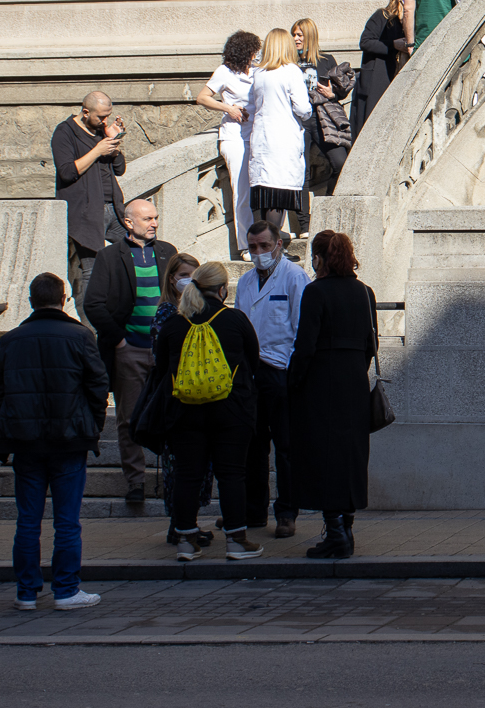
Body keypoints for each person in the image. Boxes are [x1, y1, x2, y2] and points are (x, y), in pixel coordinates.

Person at [0, 273, 108, 612]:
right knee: (66, 520)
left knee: (28, 519)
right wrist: (92, 423)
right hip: (69, 439)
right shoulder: (80, 336)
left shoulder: (12, 339)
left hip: (26, 440)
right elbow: (98, 385)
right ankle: (66, 589)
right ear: (65, 298)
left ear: (31, 299)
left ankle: (26, 591)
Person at [153, 262, 265, 561]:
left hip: (185, 411)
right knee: (232, 475)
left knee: (187, 475)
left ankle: (186, 541)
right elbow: (253, 362)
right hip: (231, 410)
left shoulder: (175, 324)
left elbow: (161, 367)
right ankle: (237, 540)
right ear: (222, 289)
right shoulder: (235, 320)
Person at [81, 197, 178, 505]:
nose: (154, 223)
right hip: (130, 350)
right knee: (128, 418)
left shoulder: (168, 253)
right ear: (128, 222)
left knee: (174, 414)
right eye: (148, 218)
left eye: (156, 217)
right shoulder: (110, 257)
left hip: (165, 351)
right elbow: (93, 303)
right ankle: (135, 481)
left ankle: (173, 478)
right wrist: (119, 340)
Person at [288, 230, 376, 559]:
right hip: (353, 383)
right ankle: (346, 530)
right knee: (350, 458)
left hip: (321, 384)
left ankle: (335, 531)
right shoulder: (365, 292)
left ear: (319, 257)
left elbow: (305, 345)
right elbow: (372, 344)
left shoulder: (316, 292)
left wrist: (293, 382)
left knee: (323, 456)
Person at [234, 220, 309, 538]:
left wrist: (293, 372)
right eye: (253, 248)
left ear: (279, 245)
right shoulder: (246, 281)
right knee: (253, 446)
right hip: (252, 373)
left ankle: (287, 512)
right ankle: (254, 511)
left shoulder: (294, 278)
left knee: (286, 447)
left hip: (280, 371)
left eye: (264, 246)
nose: (259, 253)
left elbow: (300, 328)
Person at [52, 91, 128, 318]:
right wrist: (97, 150)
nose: (105, 121)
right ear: (85, 112)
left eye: (108, 116)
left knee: (137, 254)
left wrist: (113, 140)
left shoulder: (100, 132)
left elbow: (120, 168)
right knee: (91, 272)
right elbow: (66, 172)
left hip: (114, 209)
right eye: (101, 117)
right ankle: (92, 330)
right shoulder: (65, 132)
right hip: (86, 213)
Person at [195, 31, 262, 256]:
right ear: (245, 51)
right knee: (242, 192)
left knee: (262, 189)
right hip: (235, 137)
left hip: (258, 136)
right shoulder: (224, 72)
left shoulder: (257, 71)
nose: (257, 54)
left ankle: (266, 238)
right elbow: (202, 97)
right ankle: (245, 245)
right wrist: (229, 108)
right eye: (254, 50)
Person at [247, 28, 312, 236]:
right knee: (278, 195)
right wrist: (308, 112)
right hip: (282, 139)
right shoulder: (291, 71)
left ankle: (268, 244)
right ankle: (275, 248)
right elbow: (302, 108)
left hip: (262, 138)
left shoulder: (258, 73)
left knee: (266, 195)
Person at [291, 17, 354, 231]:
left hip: (323, 118)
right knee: (302, 171)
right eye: (294, 34)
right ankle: (304, 225)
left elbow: (339, 89)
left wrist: (332, 93)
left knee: (340, 162)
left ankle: (325, 208)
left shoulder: (326, 60)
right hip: (297, 120)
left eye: (299, 34)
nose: (296, 38)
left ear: (309, 36)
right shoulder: (288, 61)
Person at [352, 0, 408, 137]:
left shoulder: (410, 23)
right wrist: (393, 45)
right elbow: (365, 42)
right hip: (377, 80)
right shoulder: (382, 16)